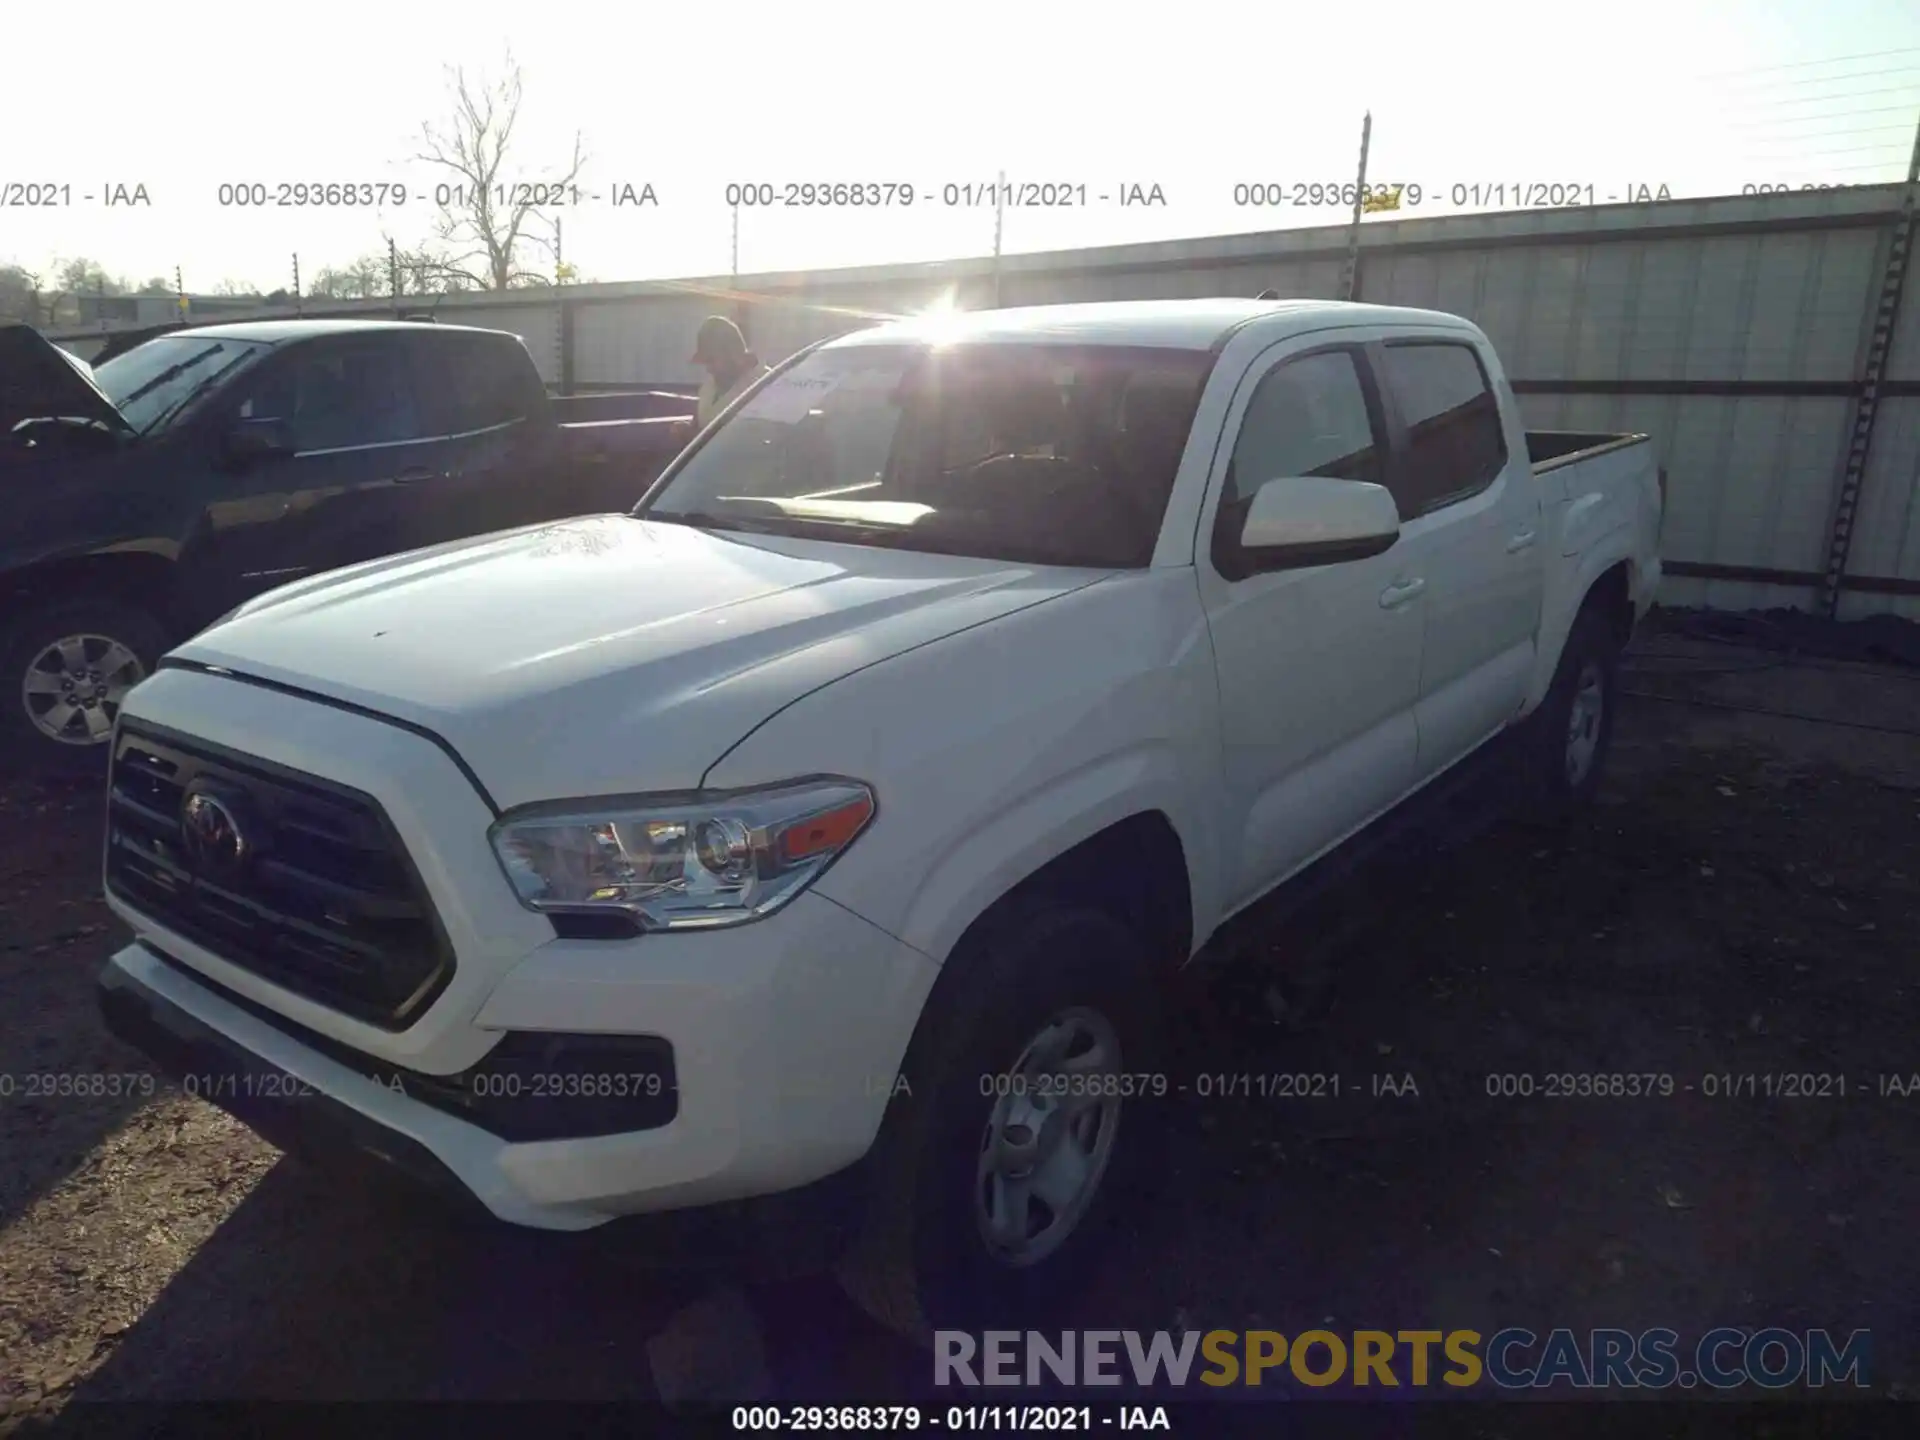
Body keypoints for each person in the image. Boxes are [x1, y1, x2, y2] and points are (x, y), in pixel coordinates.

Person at [688, 315, 769, 432]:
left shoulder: (767, 386)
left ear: (733, 355)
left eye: (711, 360)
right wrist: (689, 432)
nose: (708, 369)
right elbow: (701, 428)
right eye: (706, 362)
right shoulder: (709, 387)